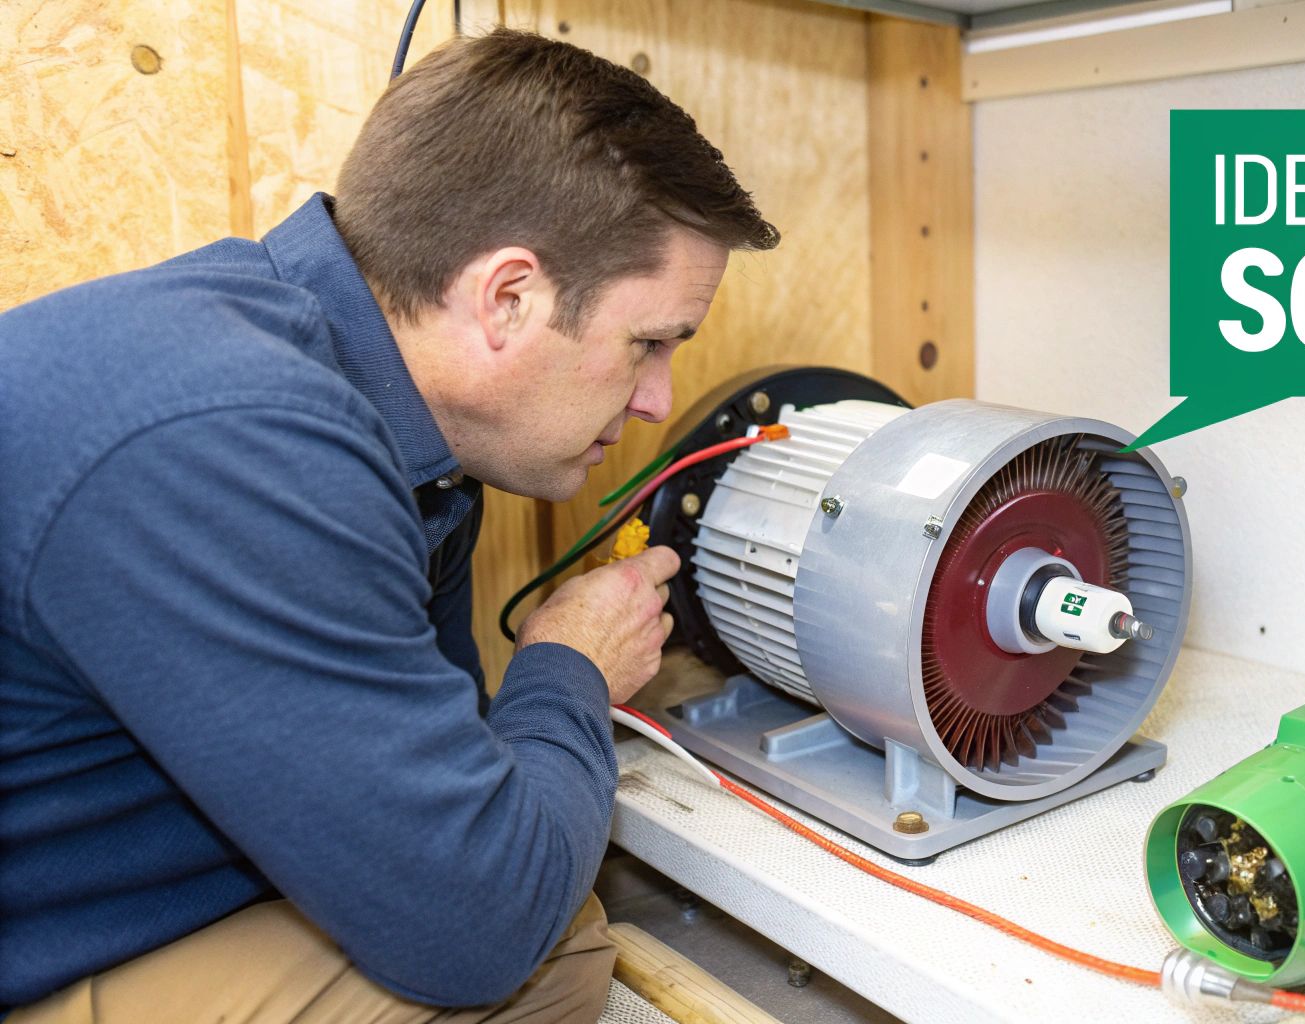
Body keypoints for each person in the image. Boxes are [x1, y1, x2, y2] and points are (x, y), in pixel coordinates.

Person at [0, 27, 778, 1023]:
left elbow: (446, 785)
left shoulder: (401, 436)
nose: (656, 403)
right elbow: (476, 926)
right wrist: (567, 666)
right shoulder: (242, 443)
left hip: (110, 894)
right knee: (545, 949)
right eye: (649, 343)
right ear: (508, 297)